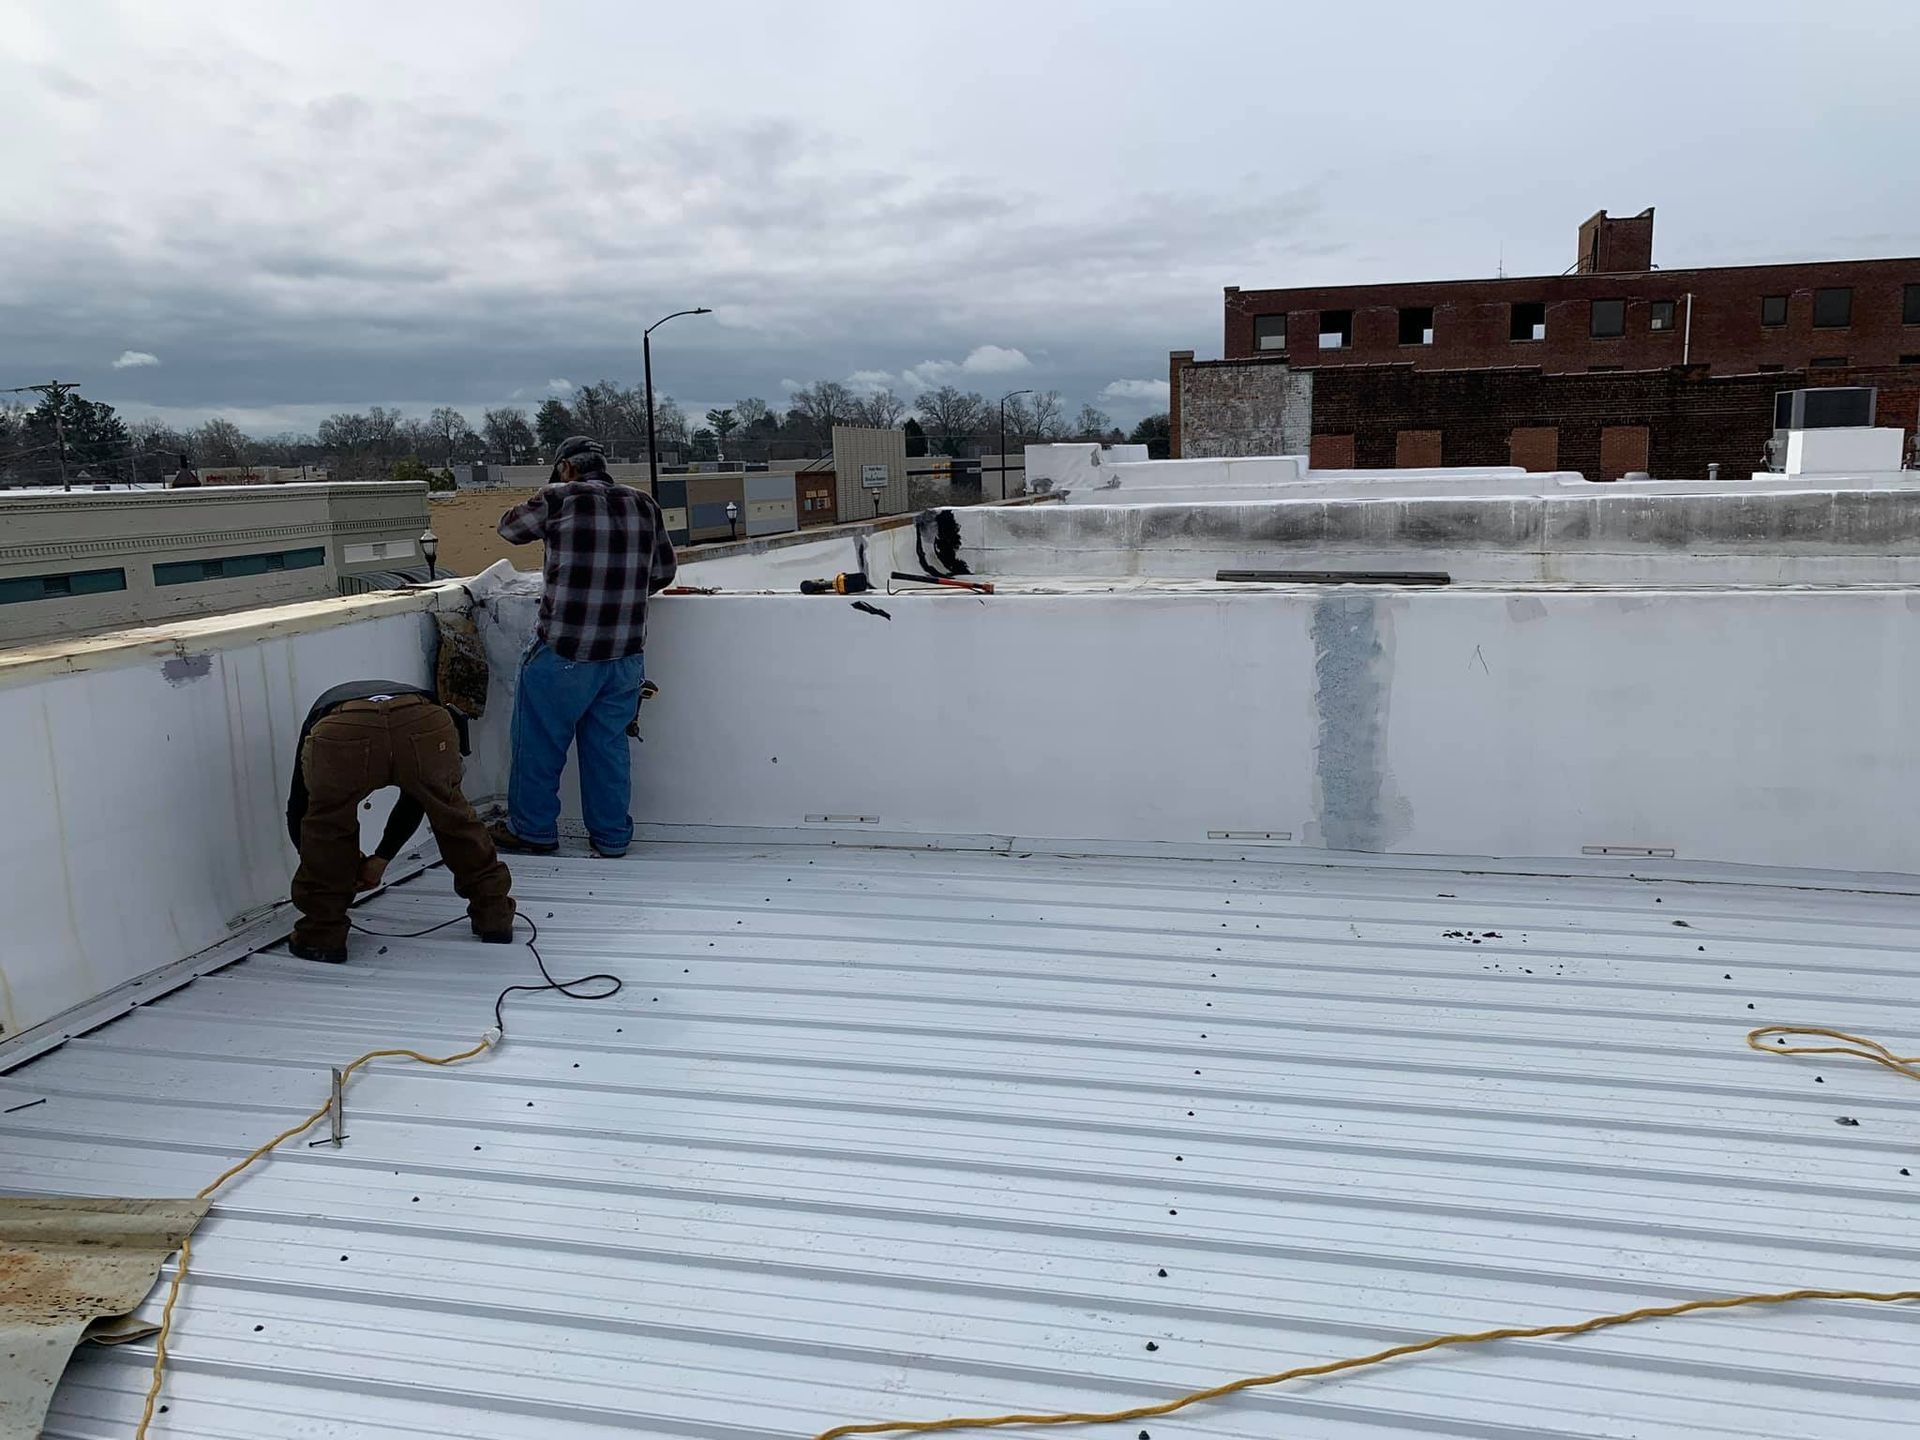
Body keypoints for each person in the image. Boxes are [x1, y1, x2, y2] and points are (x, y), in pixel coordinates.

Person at [493, 435, 677, 859]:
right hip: (624, 657)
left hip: (565, 652)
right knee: (608, 749)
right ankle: (611, 837)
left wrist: (550, 492)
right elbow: (663, 572)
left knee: (539, 744)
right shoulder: (644, 503)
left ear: (566, 468)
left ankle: (533, 831)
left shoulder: (559, 497)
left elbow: (509, 528)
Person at [285, 681, 515, 963]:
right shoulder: (415, 698)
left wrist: (323, 859)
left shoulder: (322, 716)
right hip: (424, 720)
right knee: (455, 820)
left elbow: (300, 807)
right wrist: (383, 857)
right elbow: (417, 797)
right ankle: (495, 916)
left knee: (327, 826)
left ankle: (322, 936)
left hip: (344, 729)